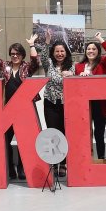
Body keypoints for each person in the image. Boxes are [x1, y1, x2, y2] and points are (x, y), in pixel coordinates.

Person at [0, 26, 40, 180]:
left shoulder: (27, 68)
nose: (15, 56)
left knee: (26, 140)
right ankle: (10, 168)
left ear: (22, 55)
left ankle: (23, 168)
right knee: (5, 140)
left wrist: (31, 45)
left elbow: (36, 61)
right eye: (12, 54)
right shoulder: (5, 66)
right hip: (7, 109)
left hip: (25, 110)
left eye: (17, 54)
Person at [35, 28, 75, 176]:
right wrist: (47, 41)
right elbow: (43, 56)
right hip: (51, 103)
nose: (59, 54)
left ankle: (64, 163)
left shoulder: (72, 66)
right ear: (53, 53)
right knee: (53, 132)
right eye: (57, 51)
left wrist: (70, 74)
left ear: (66, 52)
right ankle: (54, 162)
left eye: (62, 51)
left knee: (65, 132)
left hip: (66, 104)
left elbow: (75, 81)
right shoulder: (49, 64)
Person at [75, 32, 106, 160]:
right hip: (84, 104)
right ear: (85, 51)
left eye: (94, 49)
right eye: (88, 49)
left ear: (98, 51)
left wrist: (100, 39)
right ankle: (86, 159)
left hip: (100, 104)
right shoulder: (78, 66)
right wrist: (79, 76)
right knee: (85, 133)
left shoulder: (103, 63)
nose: (91, 51)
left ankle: (101, 158)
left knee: (99, 133)